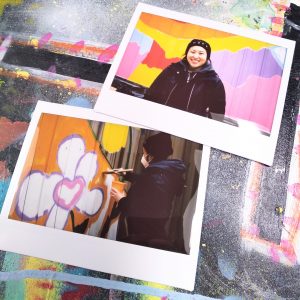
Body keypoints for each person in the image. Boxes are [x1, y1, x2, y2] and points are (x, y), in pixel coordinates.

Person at [110, 132, 186, 252]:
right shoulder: (165, 174)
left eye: (144, 153)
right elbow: (150, 184)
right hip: (154, 233)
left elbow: (134, 208)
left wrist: (121, 199)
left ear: (150, 156)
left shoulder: (153, 177)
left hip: (143, 239)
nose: (143, 156)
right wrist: (128, 175)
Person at [145, 39, 226, 119]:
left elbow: (217, 115)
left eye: (201, 53)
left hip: (188, 127)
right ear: (187, 53)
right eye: (193, 52)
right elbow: (152, 94)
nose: (195, 56)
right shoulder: (172, 70)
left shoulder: (213, 81)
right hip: (160, 119)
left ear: (207, 57)